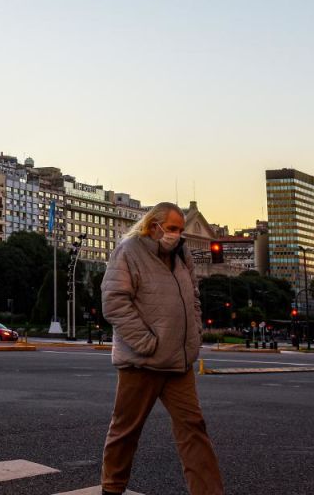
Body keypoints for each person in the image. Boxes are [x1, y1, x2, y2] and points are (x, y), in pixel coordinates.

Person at [99, 202, 224, 495]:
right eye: (171, 229)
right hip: (141, 362)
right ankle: (112, 489)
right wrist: (145, 343)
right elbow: (114, 302)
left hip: (179, 363)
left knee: (194, 429)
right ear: (152, 225)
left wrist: (194, 337)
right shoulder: (128, 251)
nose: (177, 235)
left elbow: (193, 298)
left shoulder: (182, 256)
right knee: (125, 431)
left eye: (180, 230)